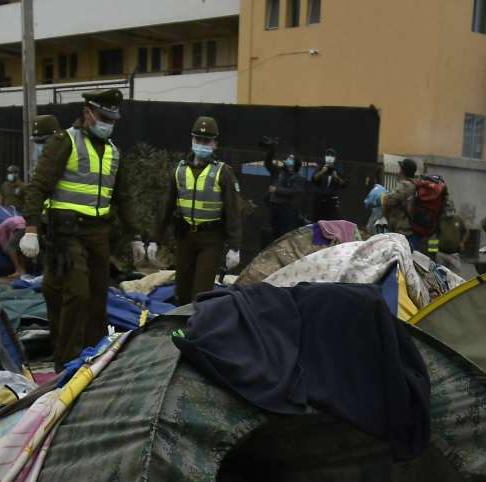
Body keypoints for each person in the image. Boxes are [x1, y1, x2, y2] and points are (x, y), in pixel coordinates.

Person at [19, 89, 138, 370]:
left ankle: (93, 358)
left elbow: (123, 197)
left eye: (112, 118)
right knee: (77, 293)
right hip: (66, 233)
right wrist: (32, 228)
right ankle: (67, 361)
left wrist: (137, 236)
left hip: (98, 234)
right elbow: (38, 187)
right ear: (88, 112)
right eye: (103, 116)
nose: (107, 123)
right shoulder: (65, 142)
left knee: (98, 298)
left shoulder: (113, 152)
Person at [156, 116, 243, 305]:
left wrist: (234, 246)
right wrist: (155, 239)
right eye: (198, 140)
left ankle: (197, 332)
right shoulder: (179, 170)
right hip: (185, 237)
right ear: (192, 140)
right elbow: (166, 206)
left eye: (206, 141)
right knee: (182, 291)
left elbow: (233, 210)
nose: (201, 144)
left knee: (201, 293)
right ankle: (180, 331)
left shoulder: (223, 172)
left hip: (211, 240)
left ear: (215, 144)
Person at [382, 158, 455, 255]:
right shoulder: (418, 184)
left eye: (400, 170)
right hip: (428, 233)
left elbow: (388, 201)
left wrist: (382, 196)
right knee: (426, 259)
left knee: (406, 260)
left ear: (402, 171)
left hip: (406, 232)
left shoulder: (406, 185)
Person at [263, 142, 306, 242]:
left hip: (286, 209)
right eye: (288, 158)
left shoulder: (298, 178)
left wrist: (276, 190)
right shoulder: (279, 171)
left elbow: (293, 191)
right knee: (274, 231)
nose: (287, 159)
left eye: (291, 158)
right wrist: (270, 151)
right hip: (274, 206)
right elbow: (268, 164)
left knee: (283, 234)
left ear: (295, 163)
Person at [311, 147, 345, 222]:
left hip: (331, 201)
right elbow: (313, 179)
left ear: (335, 158)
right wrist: (322, 172)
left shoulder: (338, 167)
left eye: (332, 155)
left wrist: (336, 177)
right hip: (318, 200)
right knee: (317, 223)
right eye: (328, 155)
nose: (329, 157)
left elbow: (344, 184)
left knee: (330, 223)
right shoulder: (321, 166)